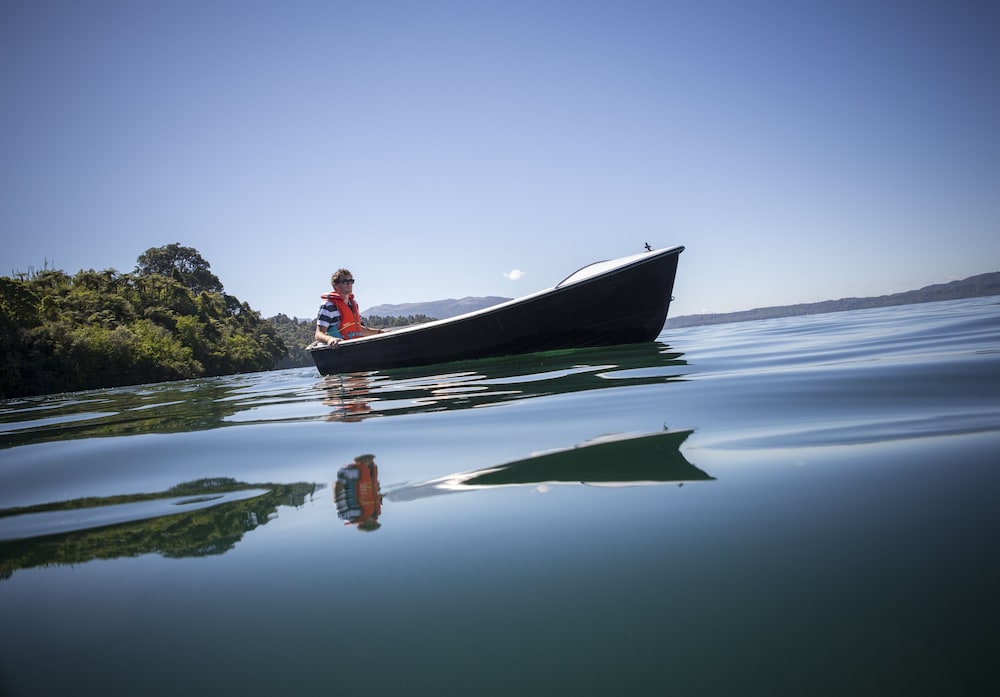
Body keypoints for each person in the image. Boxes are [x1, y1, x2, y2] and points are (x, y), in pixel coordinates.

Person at [314, 268, 385, 346]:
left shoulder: (354, 304)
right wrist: (330, 340)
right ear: (335, 285)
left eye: (351, 281)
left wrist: (381, 333)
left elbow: (360, 329)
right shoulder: (328, 306)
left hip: (356, 346)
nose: (349, 284)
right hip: (340, 348)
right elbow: (318, 334)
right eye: (345, 281)